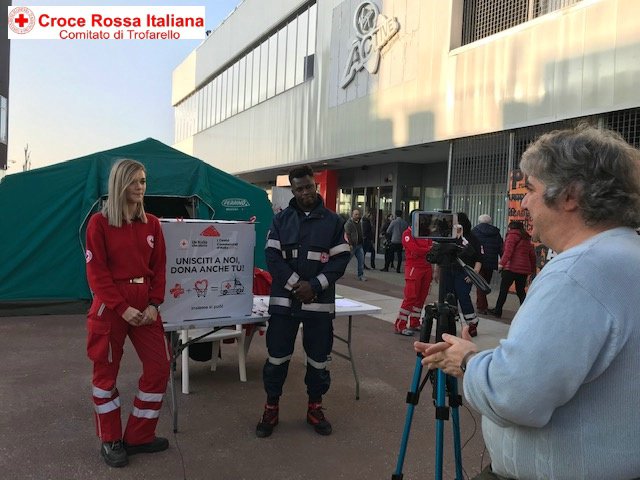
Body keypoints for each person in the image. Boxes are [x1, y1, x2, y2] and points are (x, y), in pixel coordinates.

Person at [414, 126, 640, 479]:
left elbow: (515, 395)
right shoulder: (625, 254)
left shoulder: (579, 273)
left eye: (530, 189)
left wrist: (468, 360)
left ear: (570, 195)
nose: (523, 203)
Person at [85, 159, 170, 468]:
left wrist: (153, 304)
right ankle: (110, 439)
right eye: (134, 181)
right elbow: (97, 272)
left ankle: (139, 436)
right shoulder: (99, 223)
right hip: (112, 306)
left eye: (144, 181)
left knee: (160, 367)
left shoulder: (153, 224)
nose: (140, 187)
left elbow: (159, 268)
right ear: (119, 184)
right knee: (105, 374)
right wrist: (122, 307)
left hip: (146, 305)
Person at [257, 165, 350, 438]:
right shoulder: (280, 220)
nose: (305, 192)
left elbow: (340, 260)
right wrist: (296, 285)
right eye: (299, 188)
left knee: (318, 360)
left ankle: (315, 408)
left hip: (319, 304)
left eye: (309, 186)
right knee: (276, 357)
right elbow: (272, 258)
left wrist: (315, 286)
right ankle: (271, 407)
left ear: (315, 186)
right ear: (292, 190)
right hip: (285, 304)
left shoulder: (334, 222)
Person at [437, 212, 482, 337]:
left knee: (463, 296)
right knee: (450, 298)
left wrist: (474, 273)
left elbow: (478, 258)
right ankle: (451, 323)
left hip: (464, 272)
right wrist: (437, 271)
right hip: (448, 271)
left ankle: (472, 324)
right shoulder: (448, 237)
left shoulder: (472, 238)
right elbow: (441, 255)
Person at [394, 214, 434, 336]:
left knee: (421, 297)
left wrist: (426, 249)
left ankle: (415, 322)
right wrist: (428, 249)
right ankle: (400, 325)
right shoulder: (407, 233)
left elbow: (427, 248)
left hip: (426, 267)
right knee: (410, 297)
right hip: (414, 268)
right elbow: (416, 249)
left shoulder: (425, 233)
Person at [488, 221, 535, 319]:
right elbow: (532, 255)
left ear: (511, 227)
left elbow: (508, 252)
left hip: (511, 268)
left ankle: (498, 310)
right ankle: (528, 311)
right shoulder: (526, 238)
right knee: (521, 291)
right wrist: (532, 269)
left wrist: (501, 264)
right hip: (523, 270)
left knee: (503, 290)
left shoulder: (512, 236)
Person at [471, 214, 503, 314]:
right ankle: (481, 304)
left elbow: (471, 246)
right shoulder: (496, 233)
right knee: (484, 283)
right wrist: (502, 260)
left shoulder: (475, 231)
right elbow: (501, 247)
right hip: (491, 261)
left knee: (480, 283)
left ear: (479, 221)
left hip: (478, 261)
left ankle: (482, 306)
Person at [344, 208, 367, 281]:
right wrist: (350, 244)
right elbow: (347, 235)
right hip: (352, 245)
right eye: (356, 214)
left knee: (361, 260)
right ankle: (339, 272)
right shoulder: (349, 224)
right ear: (352, 215)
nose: (357, 216)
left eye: (358, 214)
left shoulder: (360, 223)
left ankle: (360, 275)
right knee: (346, 260)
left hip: (359, 245)